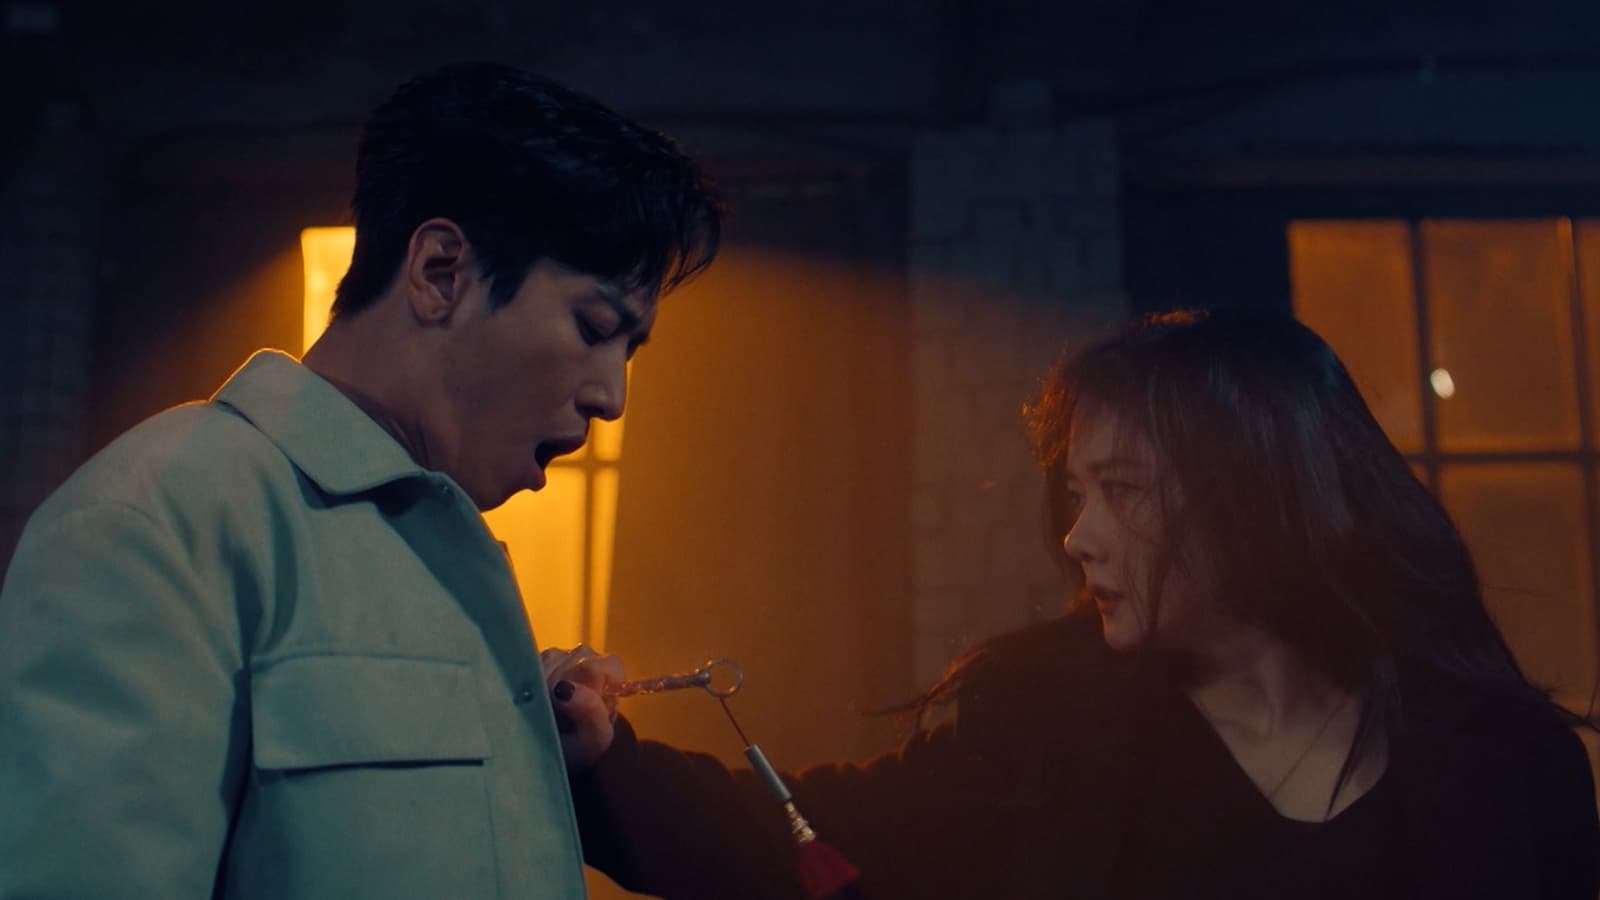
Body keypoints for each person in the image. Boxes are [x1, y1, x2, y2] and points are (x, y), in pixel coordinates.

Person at [560, 309, 1600, 899]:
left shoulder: (1507, 766)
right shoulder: (1045, 728)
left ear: (1255, 498)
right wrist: (604, 762)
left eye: (1125, 491)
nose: (1077, 536)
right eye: (1076, 493)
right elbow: (799, 835)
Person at [0, 62, 720, 899]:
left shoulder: (444, 559)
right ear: (441, 273)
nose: (611, 397)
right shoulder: (160, 522)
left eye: (630, 351)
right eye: (594, 328)